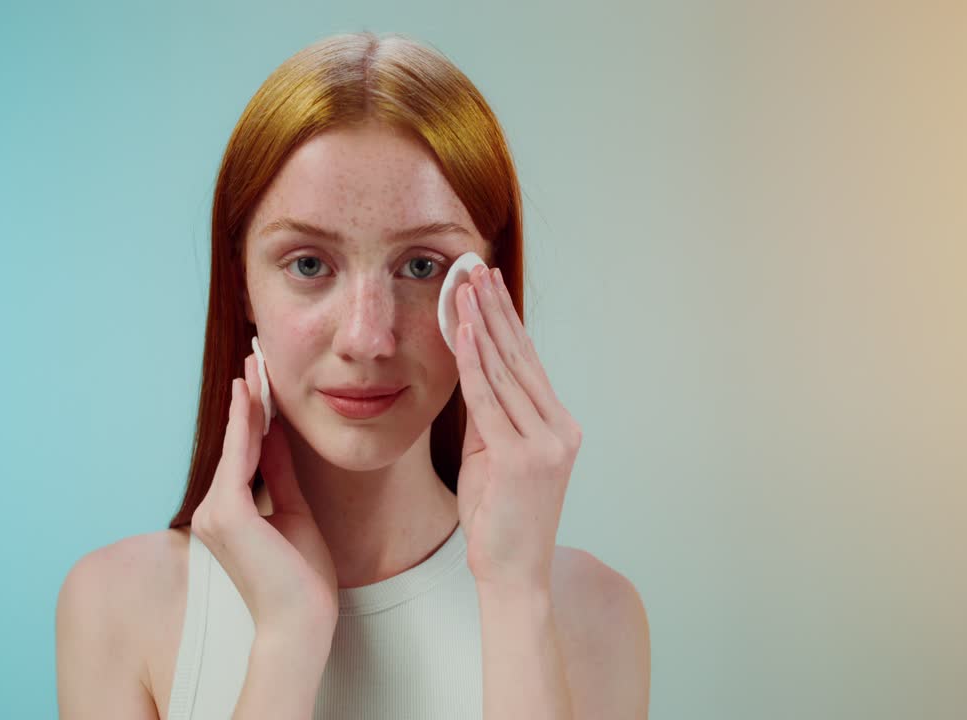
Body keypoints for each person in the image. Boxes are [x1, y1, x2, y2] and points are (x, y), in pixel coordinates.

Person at [56, 30, 650, 720]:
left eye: (421, 266)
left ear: (488, 283)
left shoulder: (593, 613)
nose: (368, 338)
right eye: (309, 264)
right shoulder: (116, 607)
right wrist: (285, 640)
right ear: (242, 282)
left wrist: (514, 595)